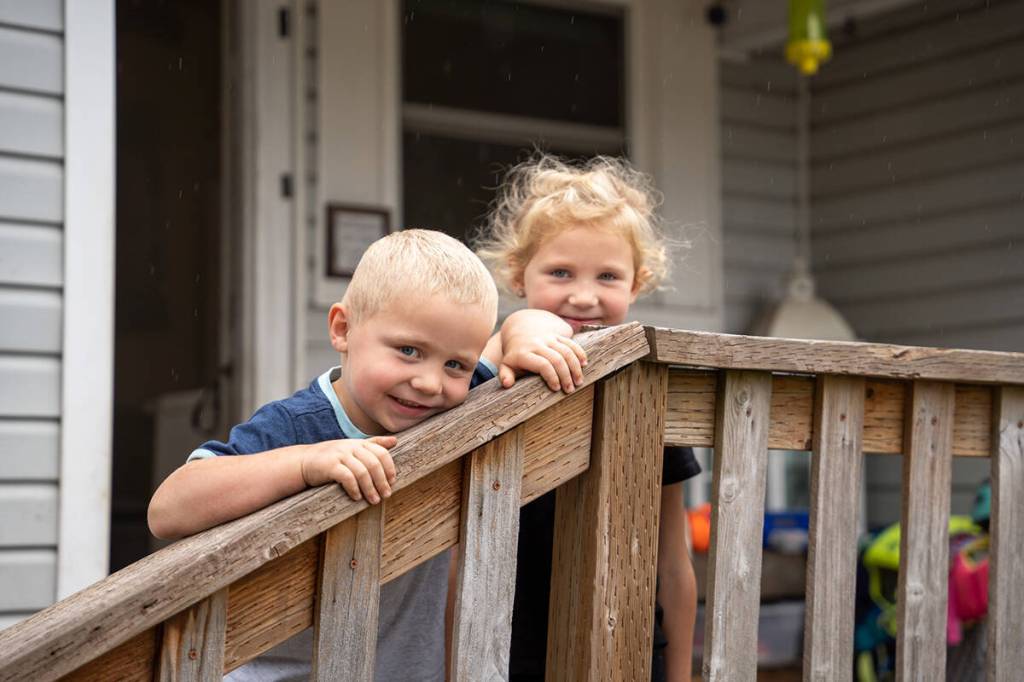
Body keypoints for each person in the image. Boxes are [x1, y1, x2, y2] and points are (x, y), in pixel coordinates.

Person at [148, 228, 583, 682]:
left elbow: (529, 322)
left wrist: (528, 334)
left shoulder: (452, 405)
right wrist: (304, 464)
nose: (431, 382)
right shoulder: (300, 425)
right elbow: (168, 508)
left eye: (456, 364)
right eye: (408, 351)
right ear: (343, 329)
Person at [478, 153, 700, 682]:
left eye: (607, 276)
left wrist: (682, 672)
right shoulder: (498, 370)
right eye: (560, 272)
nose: (583, 296)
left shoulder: (651, 393)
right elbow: (468, 381)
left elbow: (673, 561)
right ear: (518, 274)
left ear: (635, 284)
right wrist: (515, 331)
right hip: (504, 645)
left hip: (624, 644)